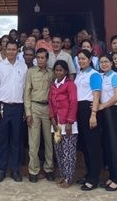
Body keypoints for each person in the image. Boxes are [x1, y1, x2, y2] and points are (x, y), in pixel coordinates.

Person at [0, 40, 28, 182]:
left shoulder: (23, 67)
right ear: (5, 50)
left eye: (14, 49)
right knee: (2, 140)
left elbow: (25, 89)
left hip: (18, 107)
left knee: (16, 140)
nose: (11, 51)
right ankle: (1, 170)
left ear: (18, 51)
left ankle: (15, 170)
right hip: (3, 107)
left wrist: (26, 109)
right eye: (9, 49)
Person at [24, 48, 54, 182]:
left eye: (43, 57)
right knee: (33, 141)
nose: (41, 60)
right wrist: (28, 112)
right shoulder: (31, 72)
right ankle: (33, 171)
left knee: (49, 141)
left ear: (47, 59)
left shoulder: (52, 73)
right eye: (39, 57)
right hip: (34, 106)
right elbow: (27, 93)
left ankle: (49, 169)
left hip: (48, 108)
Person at [75, 48, 102, 191]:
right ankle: (88, 173)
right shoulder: (80, 74)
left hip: (89, 110)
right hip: (79, 110)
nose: (81, 61)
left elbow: (96, 95)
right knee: (85, 145)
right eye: (79, 59)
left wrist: (93, 114)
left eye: (83, 59)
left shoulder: (94, 74)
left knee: (93, 146)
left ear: (90, 60)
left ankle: (94, 178)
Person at [48, 60, 78, 188]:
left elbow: (73, 102)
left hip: (68, 123)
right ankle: (63, 174)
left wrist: (70, 121)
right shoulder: (53, 85)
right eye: (56, 70)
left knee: (68, 151)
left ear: (65, 71)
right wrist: (52, 119)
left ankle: (69, 177)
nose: (58, 72)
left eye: (61, 70)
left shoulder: (70, 84)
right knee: (59, 150)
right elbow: (50, 102)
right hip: (57, 124)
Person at [97, 54, 117, 191]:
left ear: (112, 63)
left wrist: (103, 105)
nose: (104, 64)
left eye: (106, 62)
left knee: (115, 146)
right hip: (104, 113)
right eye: (101, 62)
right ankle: (111, 175)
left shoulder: (115, 76)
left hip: (113, 111)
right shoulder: (101, 76)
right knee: (107, 145)